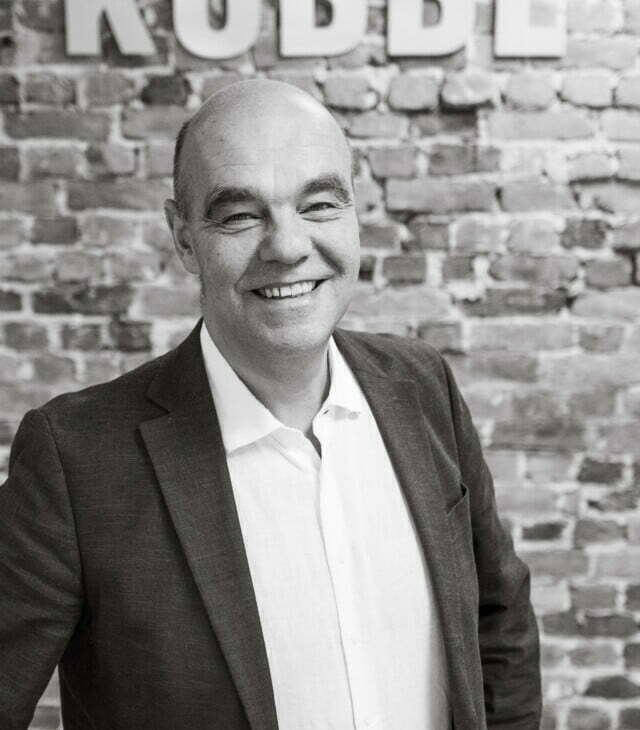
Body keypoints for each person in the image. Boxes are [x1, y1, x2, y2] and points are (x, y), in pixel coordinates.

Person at [0, 79, 541, 730]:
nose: (287, 246)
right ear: (183, 238)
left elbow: (499, 621)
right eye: (239, 215)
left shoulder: (422, 386)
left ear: (354, 212)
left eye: (319, 205)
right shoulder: (75, 460)